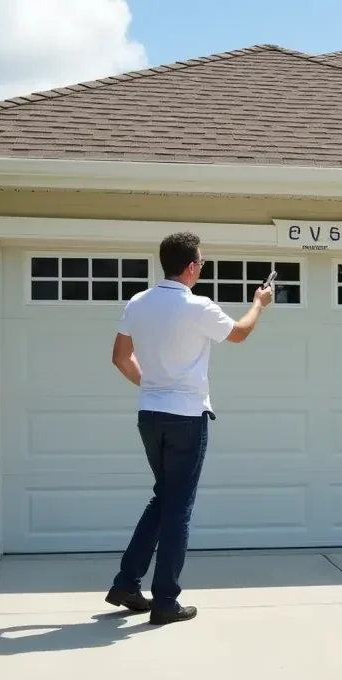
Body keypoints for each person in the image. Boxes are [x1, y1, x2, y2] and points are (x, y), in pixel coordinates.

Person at [105, 232, 273, 625]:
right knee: (178, 507)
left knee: (163, 499)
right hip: (186, 418)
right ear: (192, 265)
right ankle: (165, 601)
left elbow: (119, 357)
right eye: (202, 262)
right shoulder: (198, 306)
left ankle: (127, 583)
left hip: (150, 415)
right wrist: (258, 303)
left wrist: (150, 385)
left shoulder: (138, 303)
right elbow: (240, 332)